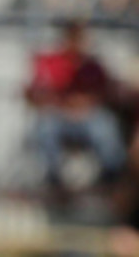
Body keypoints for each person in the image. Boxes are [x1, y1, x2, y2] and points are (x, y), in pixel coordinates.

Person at [26, 19, 127, 192]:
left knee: (105, 126)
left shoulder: (93, 65)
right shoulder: (50, 62)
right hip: (58, 115)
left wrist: (84, 104)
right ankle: (53, 177)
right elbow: (33, 93)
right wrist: (58, 102)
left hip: (88, 116)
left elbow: (104, 93)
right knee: (45, 128)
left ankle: (110, 177)